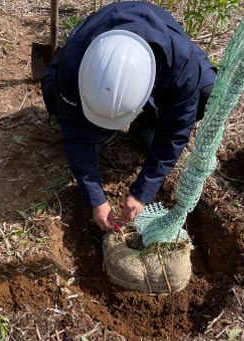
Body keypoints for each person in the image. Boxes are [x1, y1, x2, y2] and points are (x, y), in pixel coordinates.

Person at [41, 1, 216, 231]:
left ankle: (147, 124)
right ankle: (97, 128)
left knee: (208, 93)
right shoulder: (76, 61)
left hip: (167, 53)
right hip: (94, 43)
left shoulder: (181, 67)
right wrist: (95, 198)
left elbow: (175, 133)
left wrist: (143, 191)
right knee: (53, 94)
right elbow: (74, 134)